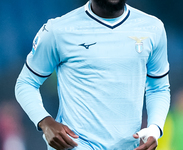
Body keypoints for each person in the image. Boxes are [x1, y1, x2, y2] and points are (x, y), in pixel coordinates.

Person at [15, 0, 170, 149]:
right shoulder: (58, 30)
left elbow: (159, 88)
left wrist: (155, 128)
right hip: (75, 145)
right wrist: (45, 121)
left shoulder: (152, 28)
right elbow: (26, 82)